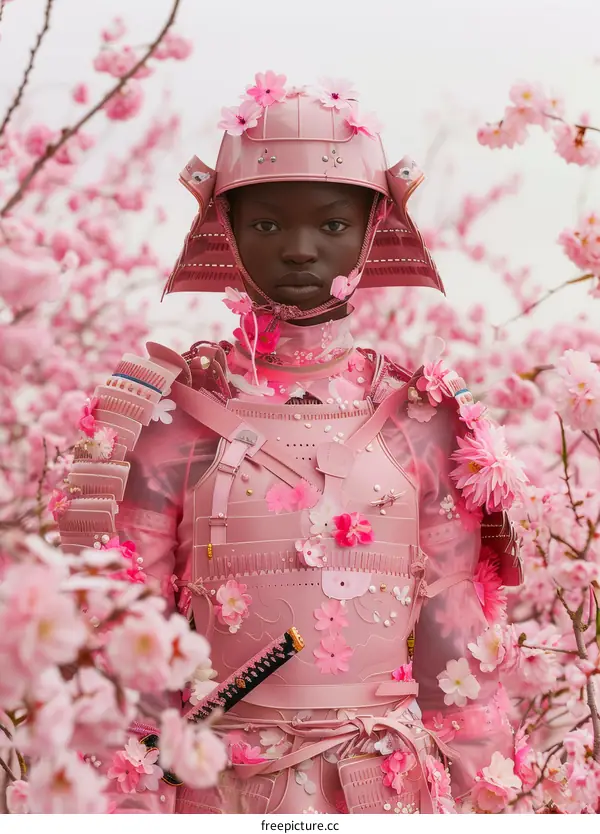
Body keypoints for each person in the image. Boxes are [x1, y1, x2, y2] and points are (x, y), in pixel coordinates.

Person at [58, 73, 523, 814]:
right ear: (226, 228)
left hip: (388, 794)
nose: (302, 250)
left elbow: (458, 649)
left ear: (375, 227)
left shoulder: (428, 416)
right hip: (215, 795)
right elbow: (126, 652)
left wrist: (484, 802)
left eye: (332, 224)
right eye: (269, 224)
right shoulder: (166, 413)